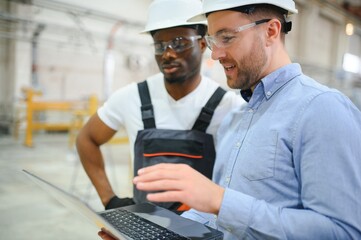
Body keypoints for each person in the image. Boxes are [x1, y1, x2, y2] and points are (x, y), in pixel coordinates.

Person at [99, 0, 361, 239]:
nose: (215, 54)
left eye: (227, 37)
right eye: (213, 40)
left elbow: (343, 231)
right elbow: (212, 216)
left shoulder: (320, 109)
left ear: (271, 31)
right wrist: (151, 235)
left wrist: (221, 201)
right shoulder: (236, 118)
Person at [76, 0, 243, 213]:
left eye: (180, 43)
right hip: (144, 226)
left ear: (203, 45)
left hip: (204, 230)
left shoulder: (229, 106)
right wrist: (110, 200)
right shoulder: (132, 97)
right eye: (159, 46)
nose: (168, 54)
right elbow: (86, 139)